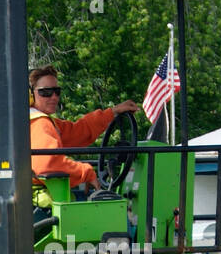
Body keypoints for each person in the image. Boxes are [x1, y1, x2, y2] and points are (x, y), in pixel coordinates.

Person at [27, 65, 139, 207]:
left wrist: (113, 112)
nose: (54, 97)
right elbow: (48, 165)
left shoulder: (26, 121)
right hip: (35, 205)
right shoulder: (39, 123)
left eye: (57, 91)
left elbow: (77, 132)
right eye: (46, 92)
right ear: (30, 95)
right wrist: (85, 172)